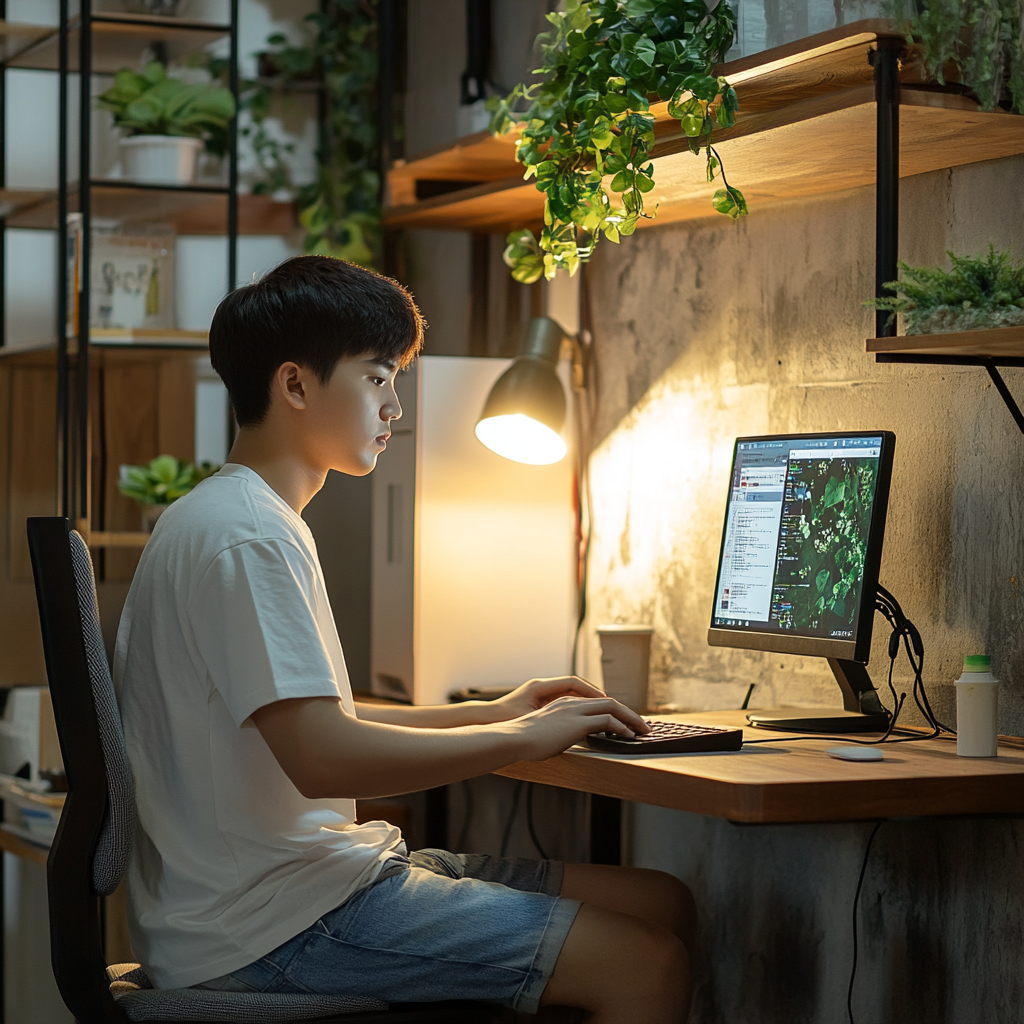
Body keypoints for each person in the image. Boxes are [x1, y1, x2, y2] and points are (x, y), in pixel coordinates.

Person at [114, 255, 694, 1023]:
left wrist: (493, 710)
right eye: (377, 377)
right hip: (272, 925)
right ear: (295, 385)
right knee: (644, 964)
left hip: (292, 891)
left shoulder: (231, 516)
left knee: (662, 901)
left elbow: (327, 722)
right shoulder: (247, 536)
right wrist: (521, 738)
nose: (395, 406)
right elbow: (325, 759)